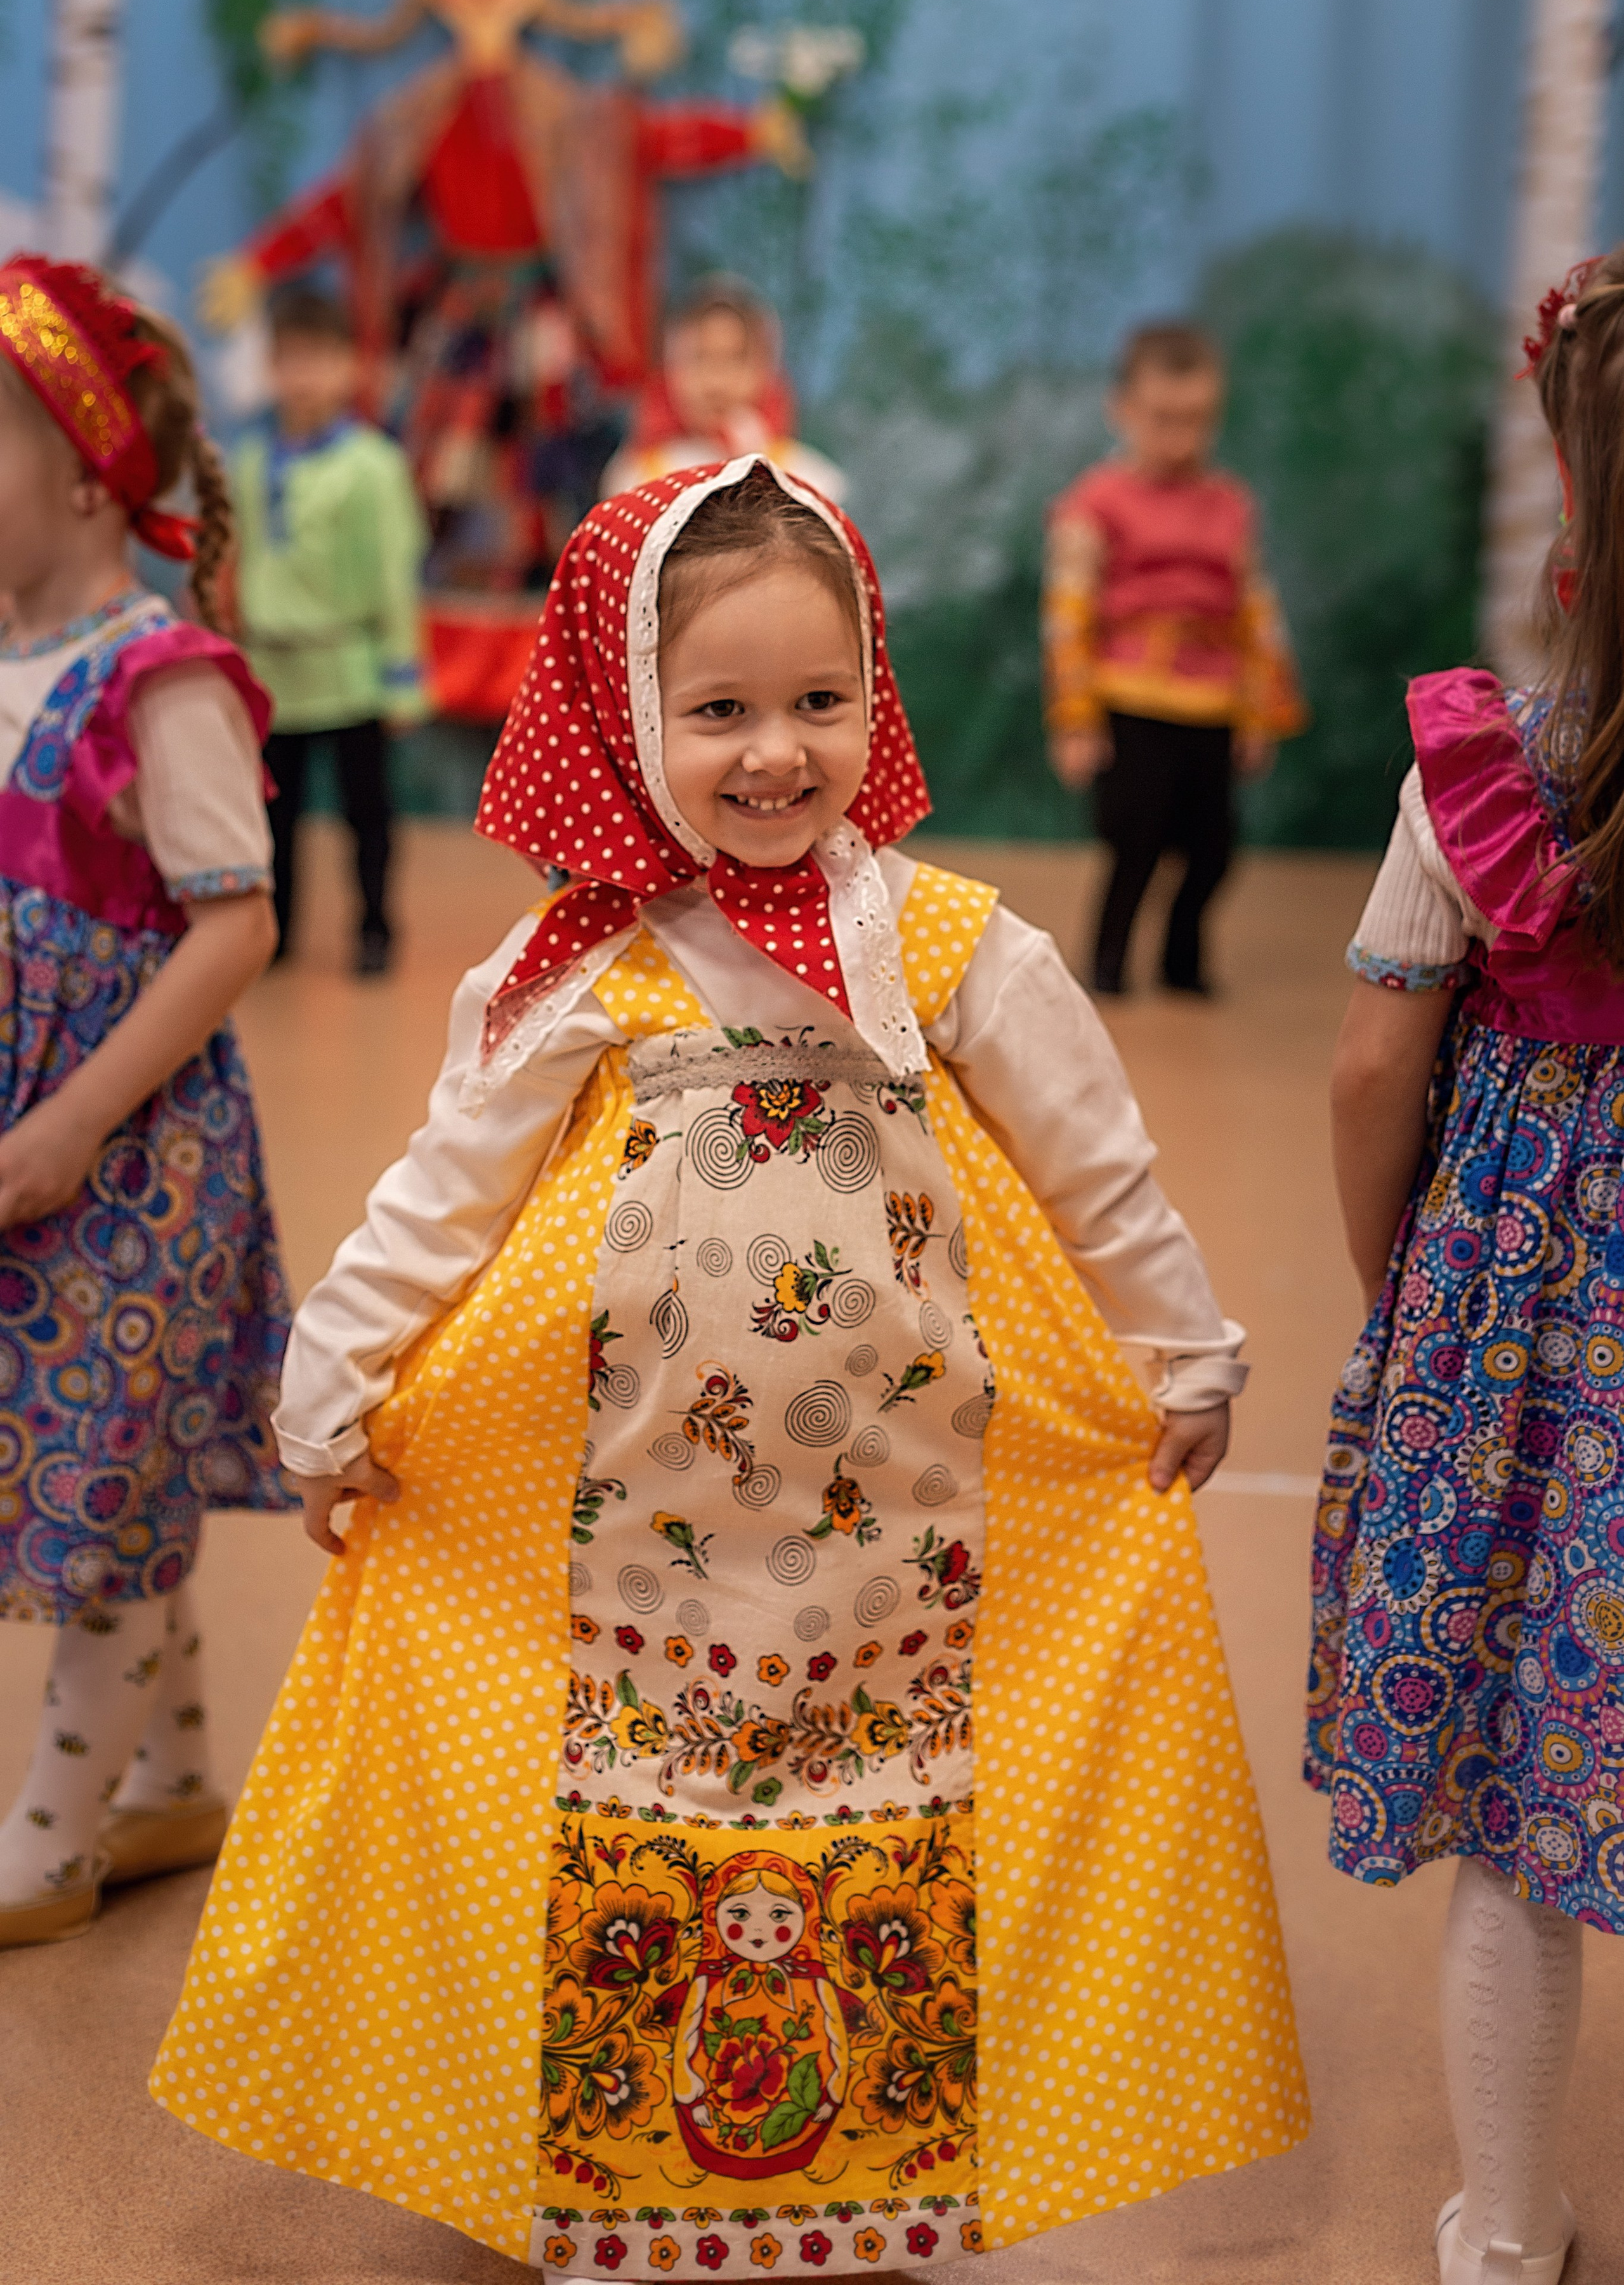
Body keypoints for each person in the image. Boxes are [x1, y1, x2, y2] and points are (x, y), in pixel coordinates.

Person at [152, 458, 1307, 2270]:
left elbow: (1099, 1158)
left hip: (906, 1532)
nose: (777, 752)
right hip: (622, 1518)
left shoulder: (951, 947)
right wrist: (331, 1390)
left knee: (887, 1783)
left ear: (878, 702)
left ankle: (871, 2155)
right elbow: (440, 1193)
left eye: (820, 702)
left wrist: (1185, 1348)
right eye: (719, 712)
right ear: (626, 716)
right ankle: (616, 2154)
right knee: (631, 1789)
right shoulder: (584, 965)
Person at [1306, 248, 1624, 2285]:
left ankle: (1503, 2230)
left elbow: (1364, 1065)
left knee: (1523, 1791)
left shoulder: (1486, 772)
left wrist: (1399, 1296)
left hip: (1519, 1342)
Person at [202, 0, 811, 726]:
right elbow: (353, 201)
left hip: (548, 325)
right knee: (443, 486)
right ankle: (435, 662)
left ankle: (560, 668)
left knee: (555, 489)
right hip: (456, 323)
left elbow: (651, 139)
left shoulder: (572, 112)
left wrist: (749, 132)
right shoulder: (417, 113)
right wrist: (257, 263)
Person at [0, 254, 291, 1949]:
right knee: (89, 1464)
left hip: (135, 1155)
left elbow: (238, 922)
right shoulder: (18, 659)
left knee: (109, 1481)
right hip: (44, 1137)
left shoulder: (156, 675)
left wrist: (76, 1122)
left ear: (79, 462)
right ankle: (175, 1777)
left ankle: (54, 1830)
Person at [1044, 319, 1307, 997]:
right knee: (1133, 843)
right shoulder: (1094, 502)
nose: (1180, 437)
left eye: (1197, 420)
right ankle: (1109, 961)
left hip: (1213, 702)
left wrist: (1260, 711)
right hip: (1129, 698)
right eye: (1162, 419)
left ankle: (1182, 960)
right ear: (1123, 410)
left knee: (1214, 851)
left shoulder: (1229, 504)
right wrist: (1075, 717)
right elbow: (1068, 612)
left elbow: (1256, 610)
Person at [232, 283, 428, 977]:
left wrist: (402, 678)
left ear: (351, 368)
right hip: (273, 670)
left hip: (350, 665)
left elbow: (394, 577)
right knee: (274, 816)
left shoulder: (373, 467)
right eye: (289, 360)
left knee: (365, 813)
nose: (303, 377)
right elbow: (237, 563)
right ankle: (276, 932)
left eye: (319, 359)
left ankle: (375, 926)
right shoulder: (249, 464)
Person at [602, 273, 846, 504]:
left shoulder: (810, 484)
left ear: (767, 370)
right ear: (671, 367)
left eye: (736, 359)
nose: (716, 383)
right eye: (700, 358)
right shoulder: (634, 479)